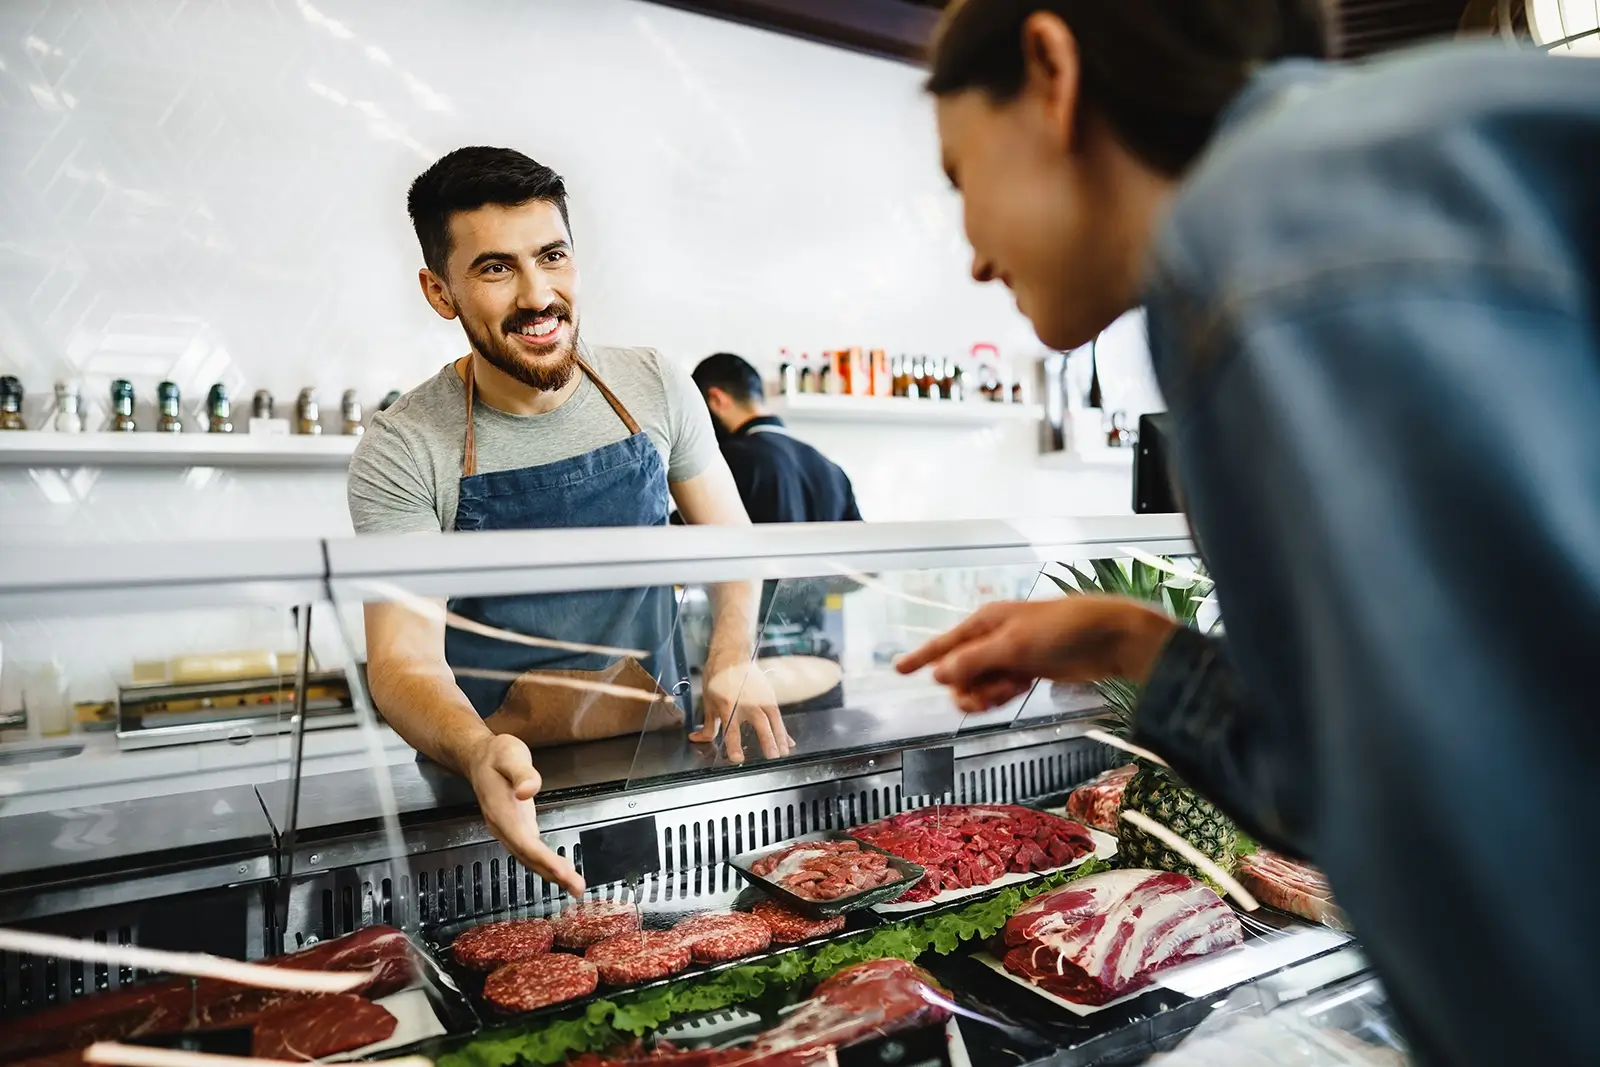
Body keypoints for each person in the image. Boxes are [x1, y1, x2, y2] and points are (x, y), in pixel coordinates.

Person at [897, 3, 1599, 1066]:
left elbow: (1501, 836)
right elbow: (1382, 776)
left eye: (959, 177)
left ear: (1050, 68)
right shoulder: (1362, 169)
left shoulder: (1267, 237)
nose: (972, 258)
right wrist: (1136, 650)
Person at [348, 147, 789, 899]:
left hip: (665, 770)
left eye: (552, 256)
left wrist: (732, 651)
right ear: (439, 290)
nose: (537, 295)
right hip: (494, 795)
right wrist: (478, 750)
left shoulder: (652, 385)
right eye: (494, 269)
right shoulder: (405, 444)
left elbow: (733, 544)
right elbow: (402, 664)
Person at [690, 352, 862, 525]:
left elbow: (693, 537)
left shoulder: (729, 459)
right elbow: (861, 546)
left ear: (716, 400)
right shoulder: (832, 471)